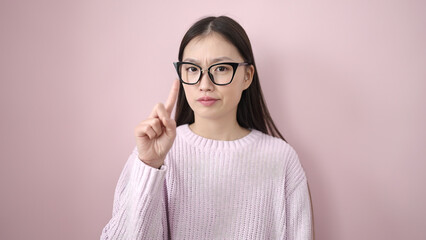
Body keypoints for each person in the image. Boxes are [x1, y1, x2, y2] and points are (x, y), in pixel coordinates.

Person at [100, 16, 313, 240]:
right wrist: (149, 166)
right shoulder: (155, 156)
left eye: (220, 68)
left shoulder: (282, 159)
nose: (204, 85)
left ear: (247, 76)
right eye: (192, 69)